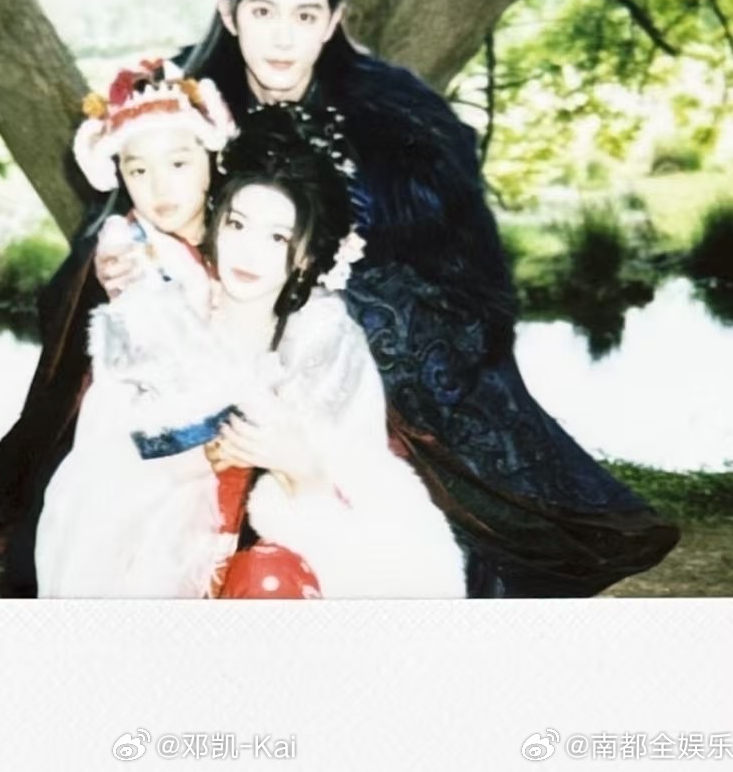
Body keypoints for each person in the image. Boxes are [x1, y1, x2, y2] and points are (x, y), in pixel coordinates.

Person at [0, 0, 678, 598]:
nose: (282, 38)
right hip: (205, 333)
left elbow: (463, 271)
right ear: (230, 12)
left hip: (354, 347)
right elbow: (129, 207)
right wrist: (117, 260)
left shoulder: (400, 115)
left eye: (305, 15)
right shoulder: (184, 100)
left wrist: (331, 308)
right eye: (263, 12)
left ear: (333, 21)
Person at [33, 82, 465, 599]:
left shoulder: (323, 340)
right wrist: (194, 452)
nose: (249, 251)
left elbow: (361, 479)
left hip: (278, 557)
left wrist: (299, 468)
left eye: (278, 237)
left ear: (307, 255)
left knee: (269, 577)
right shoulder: (165, 307)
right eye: (237, 224)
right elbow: (109, 457)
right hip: (157, 549)